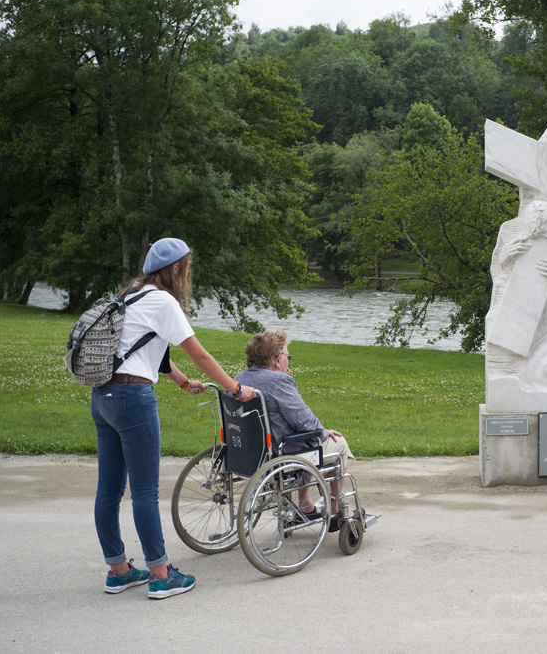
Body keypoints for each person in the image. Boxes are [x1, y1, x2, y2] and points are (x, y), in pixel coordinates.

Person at [91, 237, 256, 599]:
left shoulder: (130, 294)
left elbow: (149, 351)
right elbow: (201, 355)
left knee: (109, 491)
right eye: (187, 268)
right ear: (177, 268)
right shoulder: (164, 301)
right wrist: (236, 388)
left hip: (102, 395)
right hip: (132, 399)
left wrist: (182, 383)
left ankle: (118, 571)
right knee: (145, 494)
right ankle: (161, 575)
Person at [235, 329, 357, 527]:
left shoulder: (239, 378)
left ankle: (306, 504)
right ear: (276, 359)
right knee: (337, 443)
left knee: (309, 440)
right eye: (287, 355)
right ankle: (335, 509)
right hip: (281, 454)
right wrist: (323, 431)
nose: (288, 360)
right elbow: (304, 421)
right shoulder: (279, 381)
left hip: (249, 453)